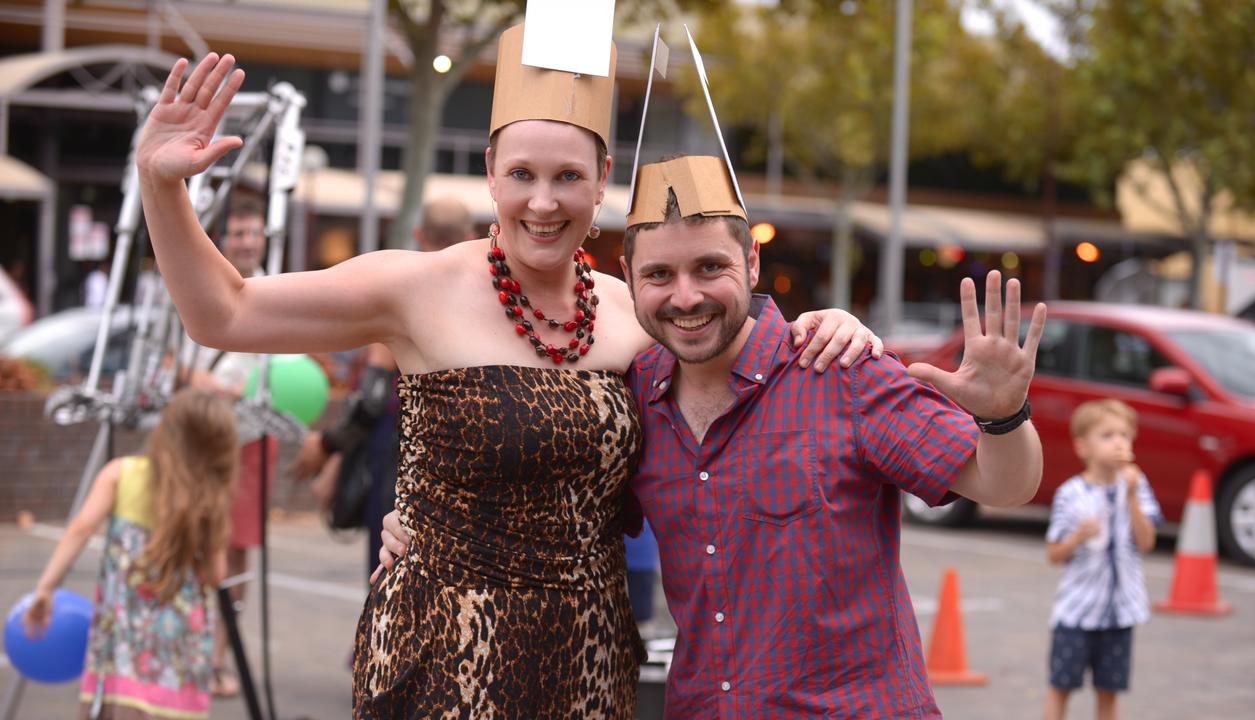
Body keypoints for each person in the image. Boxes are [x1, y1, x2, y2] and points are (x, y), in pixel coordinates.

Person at [134, 36, 874, 717]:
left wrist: (836, 327)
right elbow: (224, 313)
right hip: (443, 652)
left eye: (567, 177)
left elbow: (750, 381)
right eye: (521, 174)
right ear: (490, 173)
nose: (543, 202)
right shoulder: (417, 288)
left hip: (590, 659)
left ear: (603, 181)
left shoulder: (636, 315)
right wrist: (161, 187)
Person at [380, 153, 1050, 718]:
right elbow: (553, 513)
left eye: (709, 268)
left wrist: (1003, 416)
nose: (686, 296)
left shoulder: (840, 370)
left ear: (752, 266)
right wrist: (428, 529)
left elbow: (1005, 484)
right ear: (632, 285)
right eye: (659, 276)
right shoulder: (634, 396)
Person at [23, 388, 240, 720]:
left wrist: (46, 587)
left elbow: (80, 529)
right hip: (179, 649)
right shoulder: (211, 497)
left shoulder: (121, 473)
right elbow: (215, 574)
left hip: (125, 643)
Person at [289, 197, 475, 579]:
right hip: (470, 466)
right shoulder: (485, 299)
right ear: (471, 237)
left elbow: (372, 402)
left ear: (419, 235)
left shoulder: (406, 298)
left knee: (390, 580)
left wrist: (327, 448)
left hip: (401, 462)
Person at [176, 192, 278, 698]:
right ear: (224, 238)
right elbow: (175, 365)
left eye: (253, 232)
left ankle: (218, 658)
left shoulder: (282, 287)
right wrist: (213, 387)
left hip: (255, 442)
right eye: (237, 232)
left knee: (237, 554)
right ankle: (185, 654)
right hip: (204, 441)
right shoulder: (197, 281)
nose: (246, 241)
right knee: (194, 545)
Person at [1044, 399, 1161, 720]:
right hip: (1077, 612)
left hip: (1121, 613)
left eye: (1125, 434)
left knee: (1109, 692)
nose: (1119, 442)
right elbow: (1053, 554)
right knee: (1061, 686)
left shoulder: (1138, 485)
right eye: (1107, 435)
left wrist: (1133, 495)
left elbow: (1147, 542)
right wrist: (1077, 538)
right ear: (1083, 447)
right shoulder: (1070, 493)